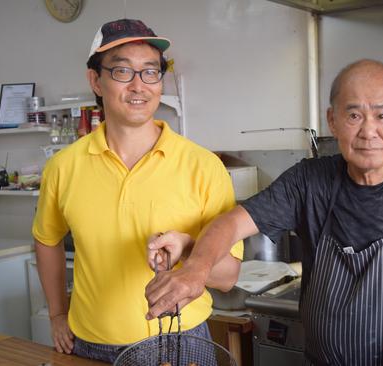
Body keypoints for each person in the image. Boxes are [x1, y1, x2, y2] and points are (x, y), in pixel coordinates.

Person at [145, 59, 383, 366]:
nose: (368, 131)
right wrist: (195, 270)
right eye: (353, 115)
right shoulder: (309, 181)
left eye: (381, 115)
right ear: (332, 120)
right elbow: (231, 223)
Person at [32, 18, 243, 363]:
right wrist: (57, 313)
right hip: (90, 344)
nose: (139, 85)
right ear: (95, 81)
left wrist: (187, 253)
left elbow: (228, 277)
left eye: (150, 72)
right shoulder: (63, 167)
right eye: (122, 72)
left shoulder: (203, 165)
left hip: (181, 342)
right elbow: (47, 239)